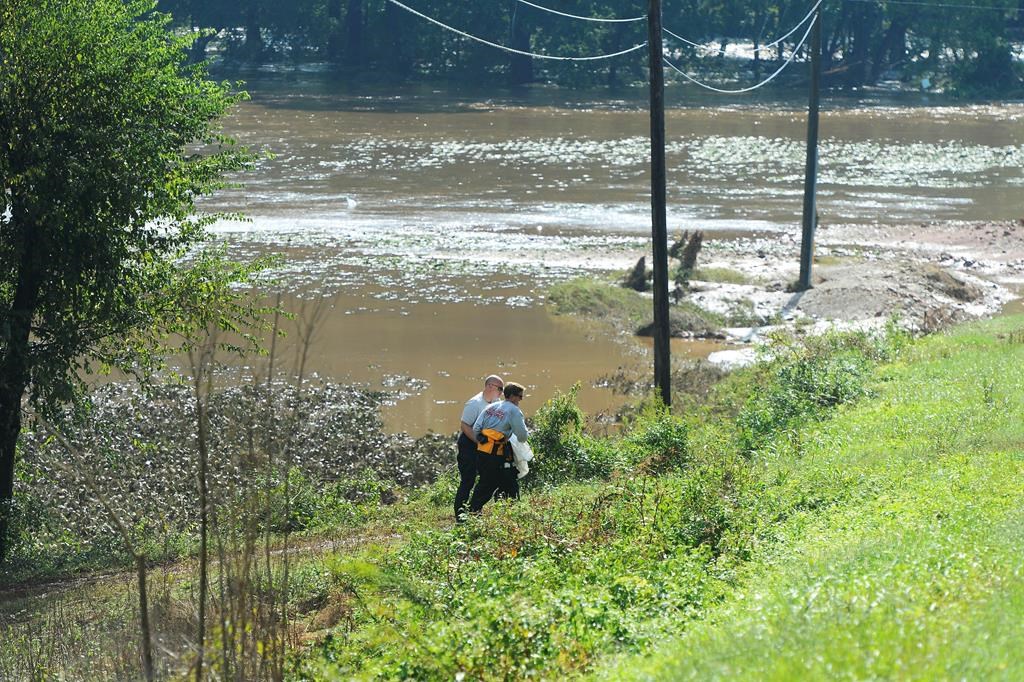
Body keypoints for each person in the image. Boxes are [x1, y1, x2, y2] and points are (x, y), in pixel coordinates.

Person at [469, 382, 528, 514]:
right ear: (512, 396)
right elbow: (523, 436)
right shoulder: (514, 411)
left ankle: (503, 510)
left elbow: (476, 428)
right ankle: (473, 511)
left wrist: (484, 439)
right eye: (520, 396)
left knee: (500, 481)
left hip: (482, 451)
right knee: (489, 483)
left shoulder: (491, 406)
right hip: (497, 454)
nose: (521, 400)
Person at [455, 374, 504, 521]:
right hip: (469, 445)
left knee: (487, 478)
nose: (502, 392)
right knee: (468, 481)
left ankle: (475, 510)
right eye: (499, 389)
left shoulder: (496, 401)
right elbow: (464, 425)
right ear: (489, 387)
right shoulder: (474, 404)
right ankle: (460, 518)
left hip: (485, 445)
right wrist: (478, 442)